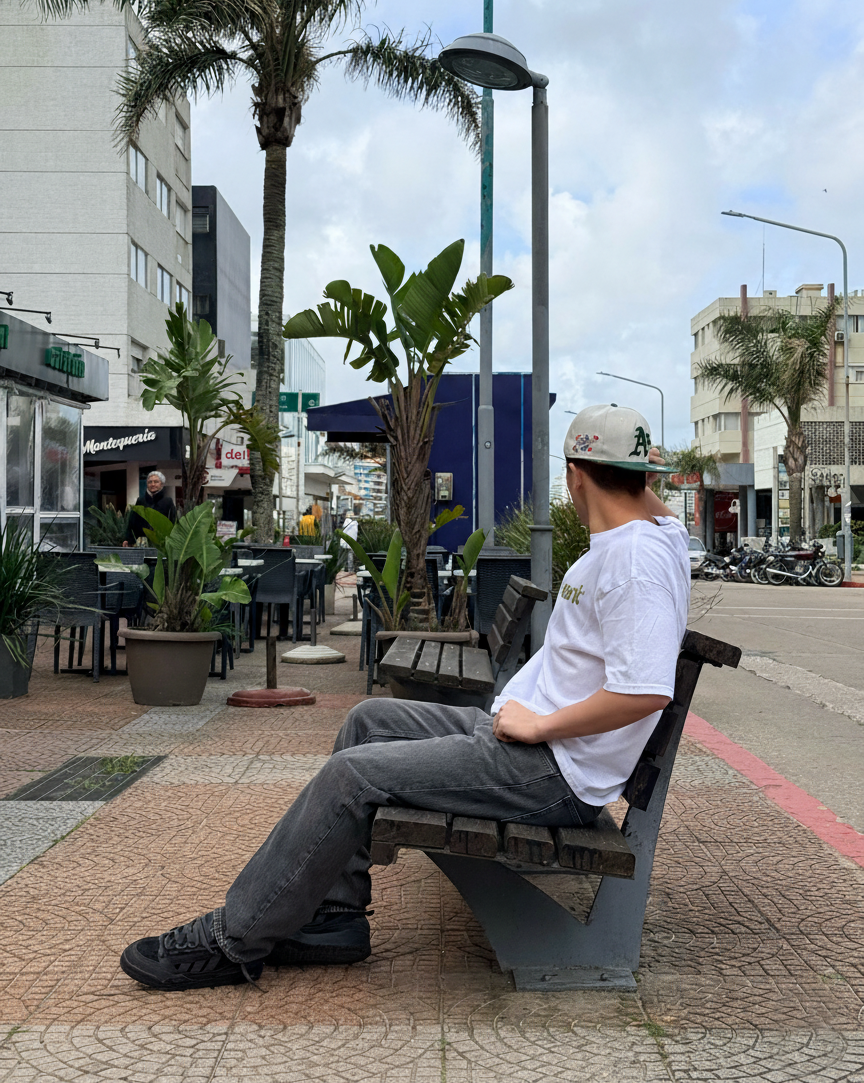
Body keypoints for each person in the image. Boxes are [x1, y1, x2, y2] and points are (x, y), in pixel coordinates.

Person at [120, 405, 689, 991]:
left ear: (574, 473)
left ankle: (232, 939)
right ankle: (333, 918)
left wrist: (539, 729)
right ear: (645, 478)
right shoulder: (653, 537)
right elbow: (659, 519)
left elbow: (643, 693)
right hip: (525, 741)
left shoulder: (633, 563)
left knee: (351, 777)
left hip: (551, 770)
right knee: (368, 721)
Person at [122, 471, 177, 546]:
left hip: (161, 543)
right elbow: (132, 521)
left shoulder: (167, 501)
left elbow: (173, 521)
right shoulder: (141, 501)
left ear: (162, 484)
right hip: (141, 542)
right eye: (150, 482)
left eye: (156, 482)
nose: (153, 484)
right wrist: (127, 539)